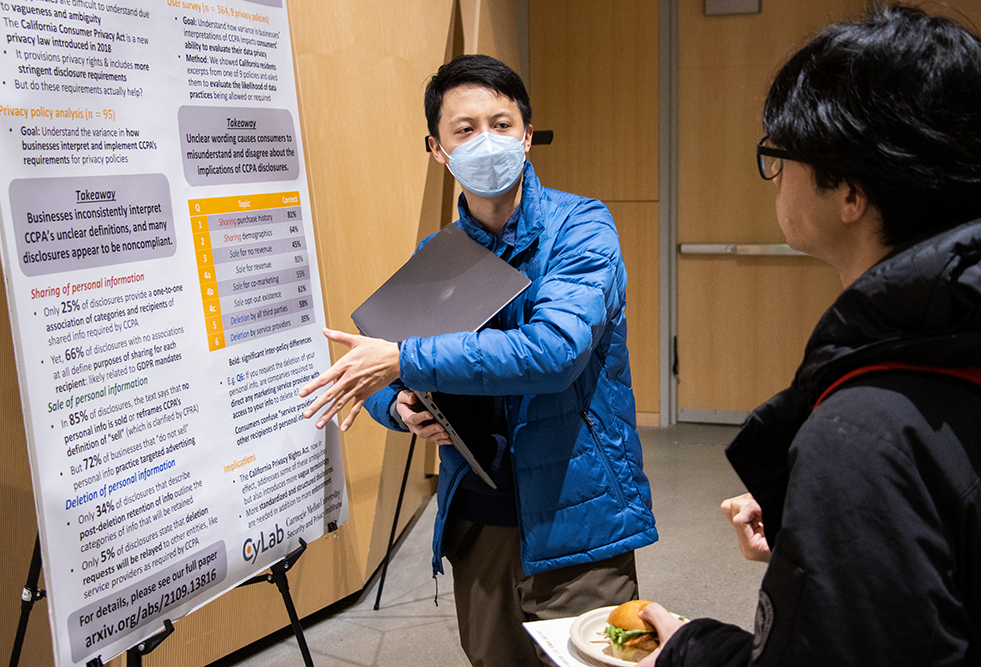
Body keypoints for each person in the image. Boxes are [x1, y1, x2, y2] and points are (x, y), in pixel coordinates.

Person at [638, 5, 981, 666]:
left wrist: (688, 649)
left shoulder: (865, 433)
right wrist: (829, 532)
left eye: (779, 155)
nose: (776, 178)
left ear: (850, 190)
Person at [299, 54, 657, 666]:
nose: (486, 141)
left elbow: (554, 353)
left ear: (526, 132)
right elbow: (395, 371)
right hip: (479, 515)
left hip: (577, 510)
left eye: (502, 123)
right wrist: (401, 404)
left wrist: (403, 361)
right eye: (465, 129)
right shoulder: (439, 253)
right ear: (437, 148)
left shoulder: (582, 226)